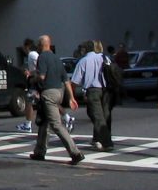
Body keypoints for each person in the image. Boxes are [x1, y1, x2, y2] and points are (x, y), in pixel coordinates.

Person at [29, 34, 84, 165]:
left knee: (56, 124)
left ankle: (75, 153)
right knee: (45, 123)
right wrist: (71, 97)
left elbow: (42, 76)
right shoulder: (56, 58)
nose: (37, 47)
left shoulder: (42, 57)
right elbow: (66, 81)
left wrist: (32, 77)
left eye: (38, 45)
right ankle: (39, 152)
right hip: (60, 92)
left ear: (41, 45)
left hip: (48, 93)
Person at [71, 40, 113, 152]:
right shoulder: (104, 57)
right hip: (106, 90)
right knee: (104, 115)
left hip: (92, 91)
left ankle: (107, 143)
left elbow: (74, 81)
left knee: (98, 117)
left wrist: (71, 96)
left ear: (84, 49)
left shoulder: (83, 61)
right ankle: (97, 138)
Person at [17, 38, 38, 132]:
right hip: (34, 81)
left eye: (24, 47)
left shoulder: (32, 54)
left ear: (27, 46)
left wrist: (29, 73)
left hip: (35, 82)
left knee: (29, 102)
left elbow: (40, 67)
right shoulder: (31, 55)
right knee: (45, 102)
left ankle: (28, 125)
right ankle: (28, 124)